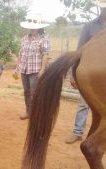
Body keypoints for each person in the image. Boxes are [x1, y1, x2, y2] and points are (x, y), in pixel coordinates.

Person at [64, 0, 106, 144]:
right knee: (83, 104)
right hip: (91, 73)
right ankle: (77, 132)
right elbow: (80, 49)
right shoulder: (89, 26)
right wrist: (72, 74)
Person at [14, 15, 50, 120]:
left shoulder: (44, 39)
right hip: (24, 69)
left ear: (39, 27)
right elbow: (20, 53)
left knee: (35, 92)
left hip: (35, 70)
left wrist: (42, 70)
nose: (32, 28)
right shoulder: (24, 38)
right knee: (26, 91)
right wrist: (17, 68)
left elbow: (45, 55)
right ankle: (28, 111)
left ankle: (37, 113)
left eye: (34, 26)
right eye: (30, 26)